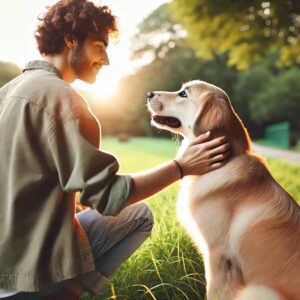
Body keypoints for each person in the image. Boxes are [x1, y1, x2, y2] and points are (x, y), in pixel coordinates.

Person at [0, 0, 229, 299]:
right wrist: (181, 167)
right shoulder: (63, 99)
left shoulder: (7, 92)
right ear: (71, 40)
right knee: (139, 216)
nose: (106, 59)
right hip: (25, 276)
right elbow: (107, 197)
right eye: (99, 45)